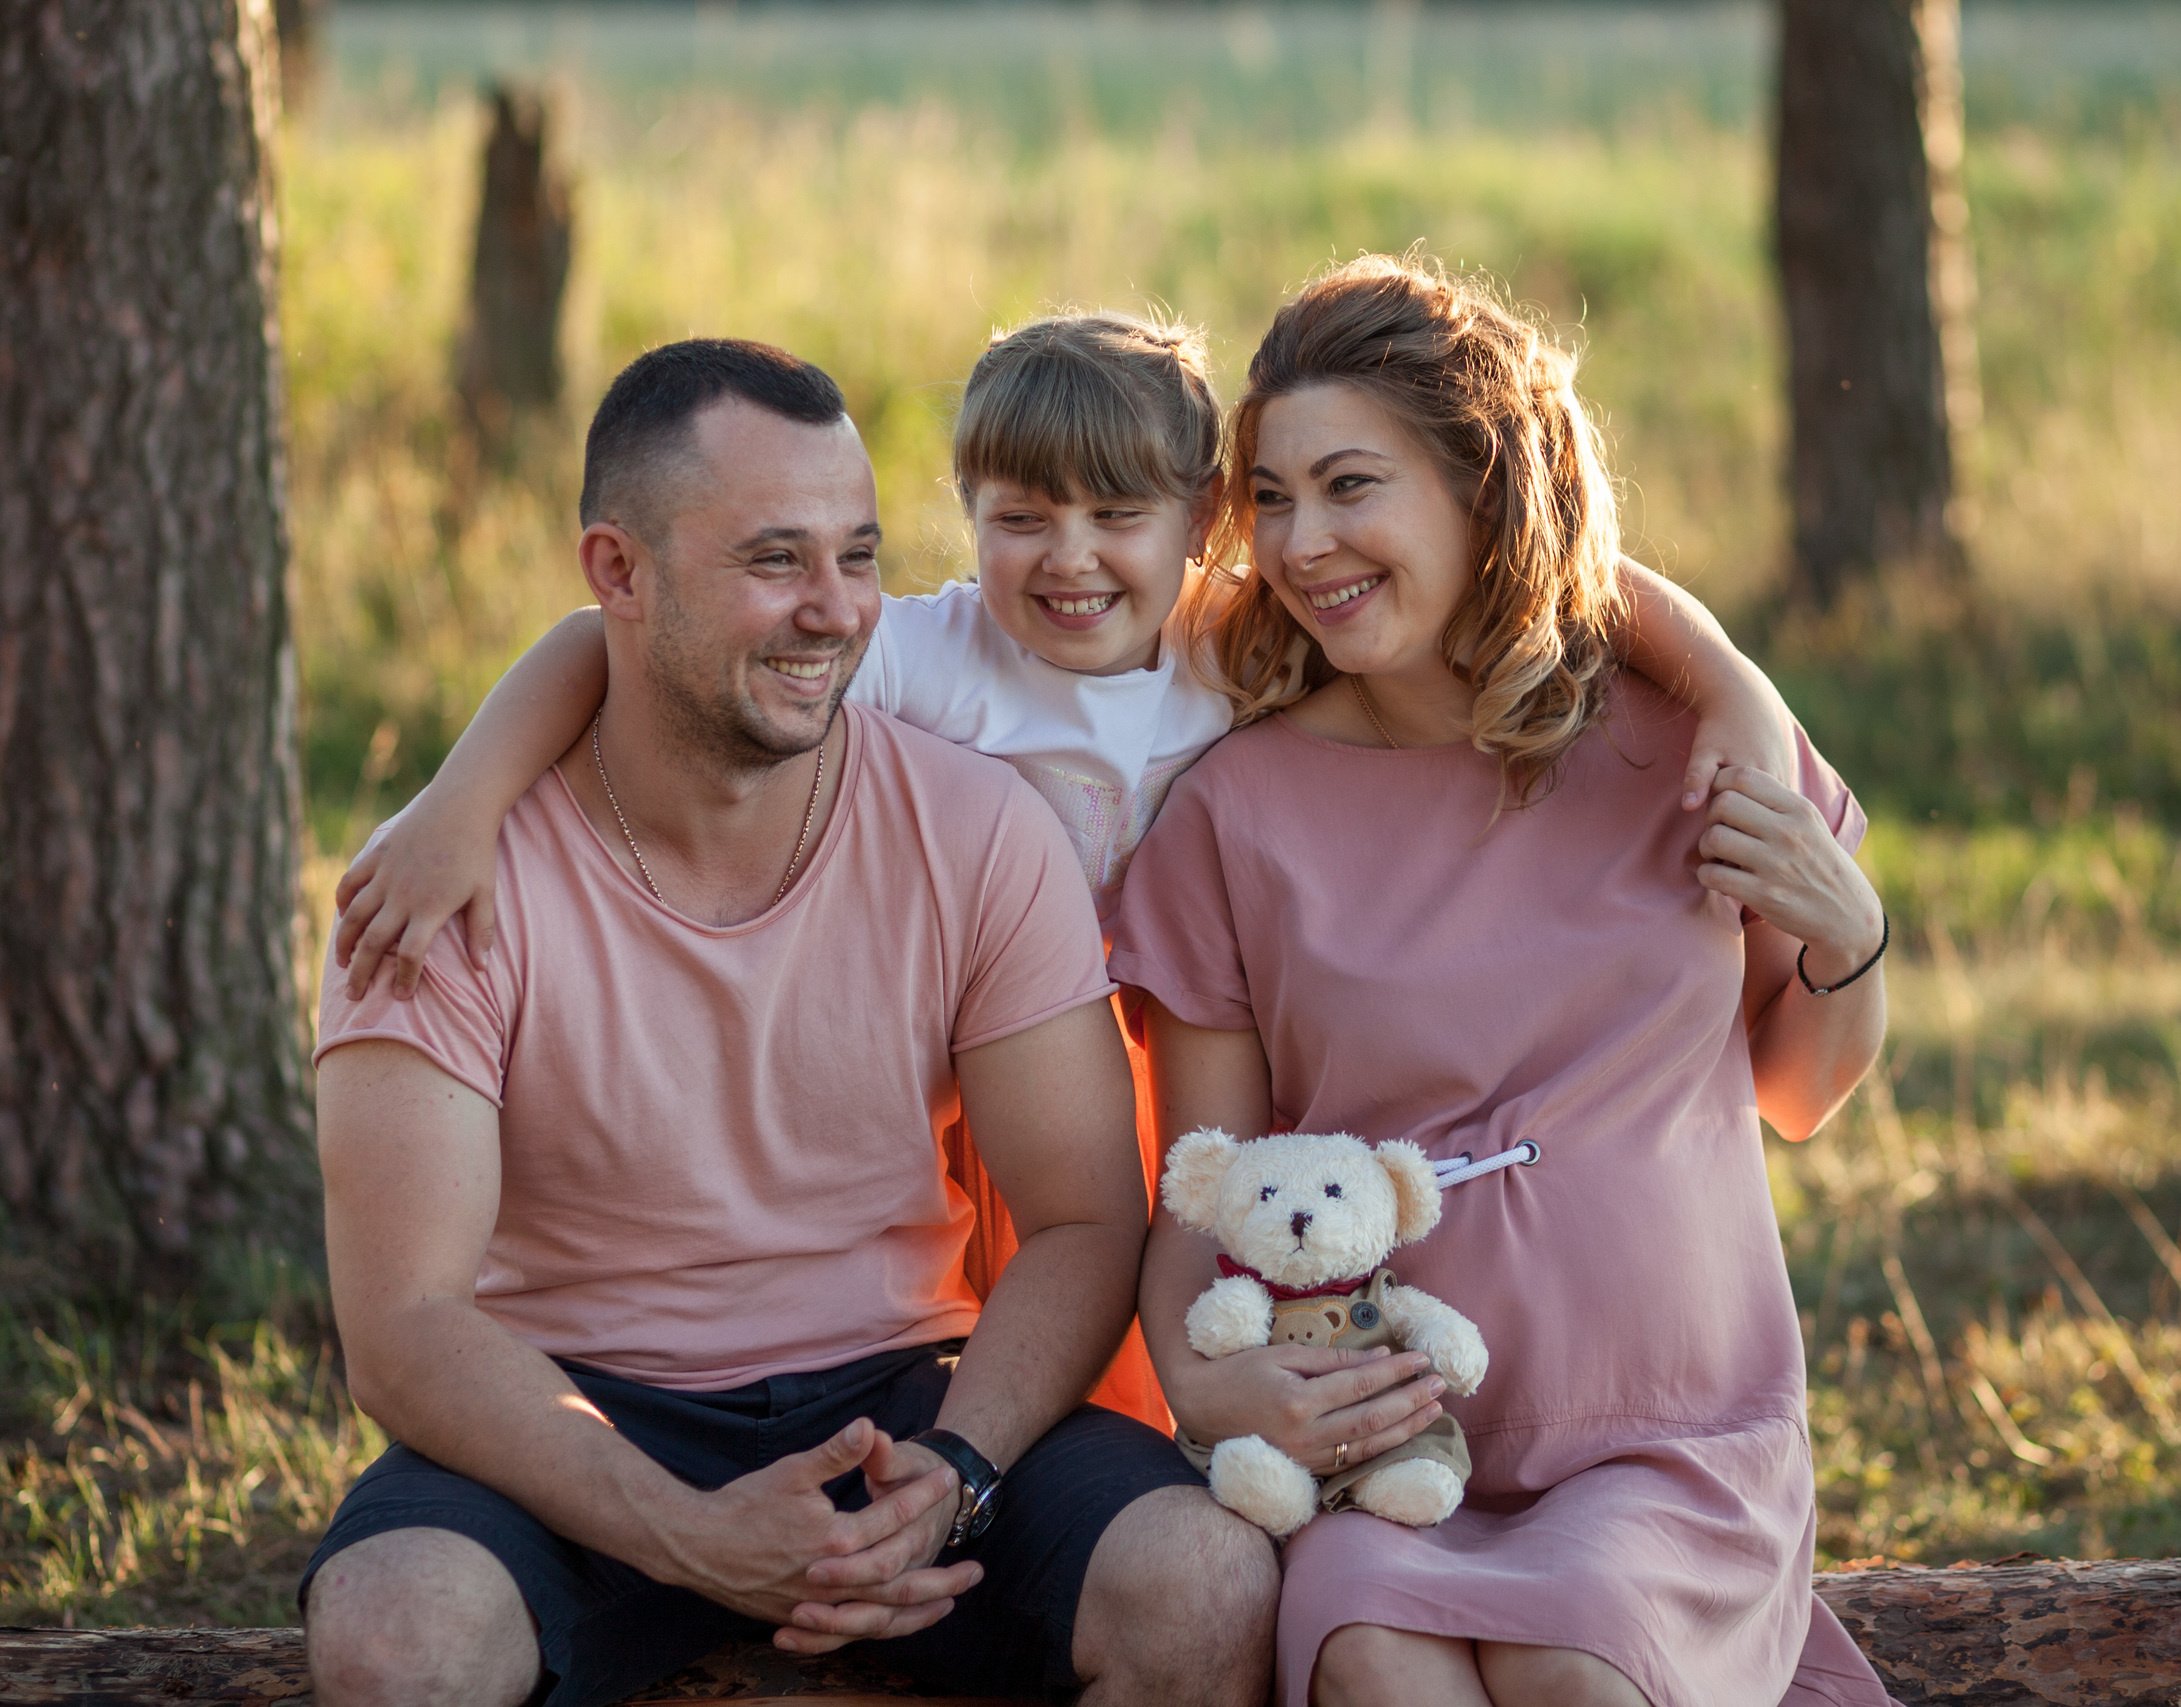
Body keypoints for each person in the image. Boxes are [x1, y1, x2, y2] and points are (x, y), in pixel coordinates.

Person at [325, 312, 1803, 1435]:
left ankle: (1180, 1497)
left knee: (1182, 1305)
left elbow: (1563, 577)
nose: (1069, 561)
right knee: (1012, 1317)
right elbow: (600, 642)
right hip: (990, 1060)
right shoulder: (931, 654)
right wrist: (463, 801)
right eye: (1020, 520)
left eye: (1116, 519)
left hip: (1181, 1048)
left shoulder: (1238, 637)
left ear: (1202, 526)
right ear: (969, 517)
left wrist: (1728, 681)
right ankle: (1004, 1486)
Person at [299, 338, 1277, 1707]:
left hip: (905, 1398)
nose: (833, 611)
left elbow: (1082, 1219)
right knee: (398, 1633)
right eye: (775, 562)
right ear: (618, 573)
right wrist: (683, 1530)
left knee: (1206, 1583)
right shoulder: (440, 883)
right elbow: (404, 1323)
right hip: (570, 1412)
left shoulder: (980, 826)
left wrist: (956, 1472)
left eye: (858, 557)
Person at [1112, 255, 1897, 1707]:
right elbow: (1199, 1190)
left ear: (1482, 487)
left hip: (1670, 1436)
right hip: (1385, 1447)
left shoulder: (1685, 738)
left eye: (1351, 486)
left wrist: (1851, 937)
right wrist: (1212, 1386)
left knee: (1574, 1669)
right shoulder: (1234, 814)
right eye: (1271, 498)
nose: (1303, 544)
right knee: (1371, 1662)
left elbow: (1801, 1089)